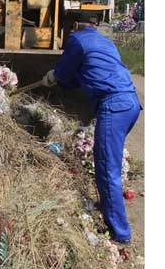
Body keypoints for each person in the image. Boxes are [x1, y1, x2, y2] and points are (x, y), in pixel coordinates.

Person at [42, 21, 142, 244]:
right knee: (110, 165)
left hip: (113, 106)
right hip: (131, 104)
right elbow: (84, 76)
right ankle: (111, 207)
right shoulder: (104, 43)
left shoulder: (76, 40)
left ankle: (120, 233)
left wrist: (54, 75)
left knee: (107, 170)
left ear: (75, 26)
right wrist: (63, 79)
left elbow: (66, 72)